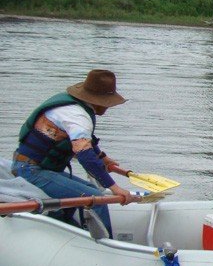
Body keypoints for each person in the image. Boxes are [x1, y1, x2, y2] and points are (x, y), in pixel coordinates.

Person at [12, 69, 139, 237]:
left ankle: (67, 227)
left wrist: (104, 159)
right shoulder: (77, 116)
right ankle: (107, 244)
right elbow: (86, 157)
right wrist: (115, 188)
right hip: (31, 169)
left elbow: (86, 142)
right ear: (98, 100)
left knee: (88, 187)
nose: (108, 107)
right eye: (108, 102)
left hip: (37, 166)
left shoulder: (74, 106)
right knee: (95, 198)